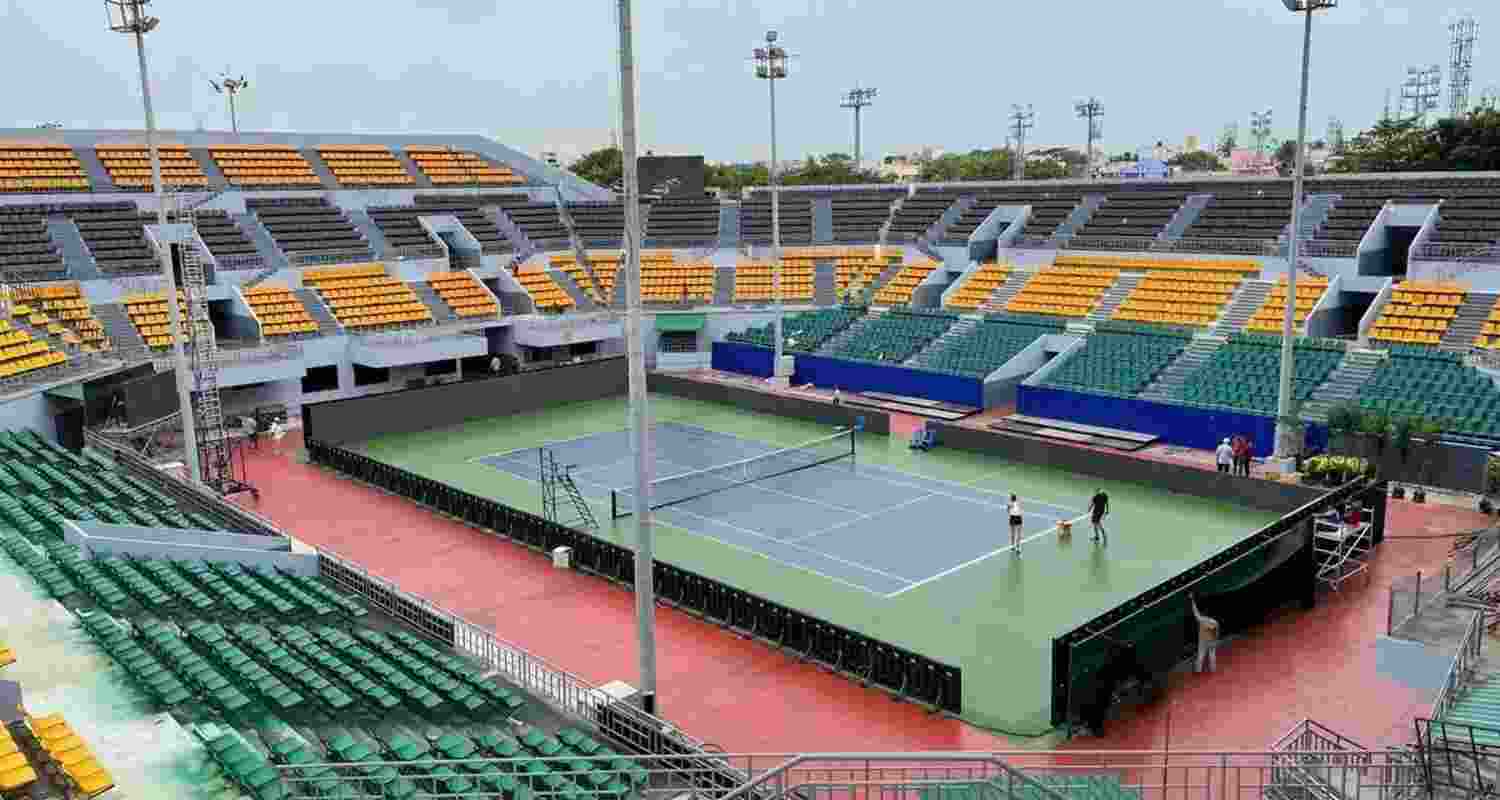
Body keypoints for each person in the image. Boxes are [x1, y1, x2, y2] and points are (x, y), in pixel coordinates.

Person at [1190, 594, 1220, 673]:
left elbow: (1195, 612)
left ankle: (1198, 670)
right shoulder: (1215, 622)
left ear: (1204, 613)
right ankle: (1213, 669)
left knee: (1200, 655)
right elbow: (1217, 632)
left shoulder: (1201, 620)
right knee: (1212, 655)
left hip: (1203, 641)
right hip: (1212, 640)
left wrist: (1192, 600)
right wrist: (1216, 640)